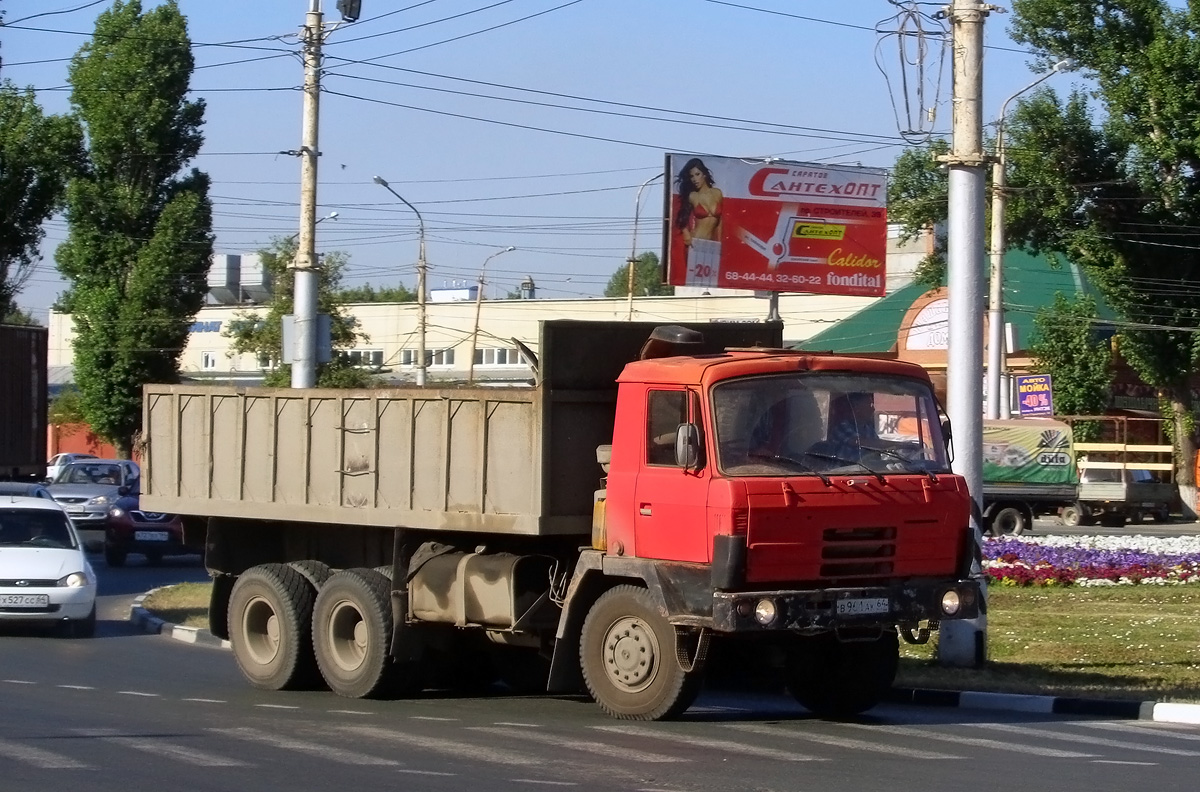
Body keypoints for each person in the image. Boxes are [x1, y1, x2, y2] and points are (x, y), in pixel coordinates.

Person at [675, 158, 723, 247]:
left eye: (697, 174)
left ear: (704, 174)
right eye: (691, 176)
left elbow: (720, 222)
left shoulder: (717, 193)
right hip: (695, 243)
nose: (694, 179)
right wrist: (686, 234)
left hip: (712, 245)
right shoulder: (693, 196)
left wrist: (719, 242)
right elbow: (682, 217)